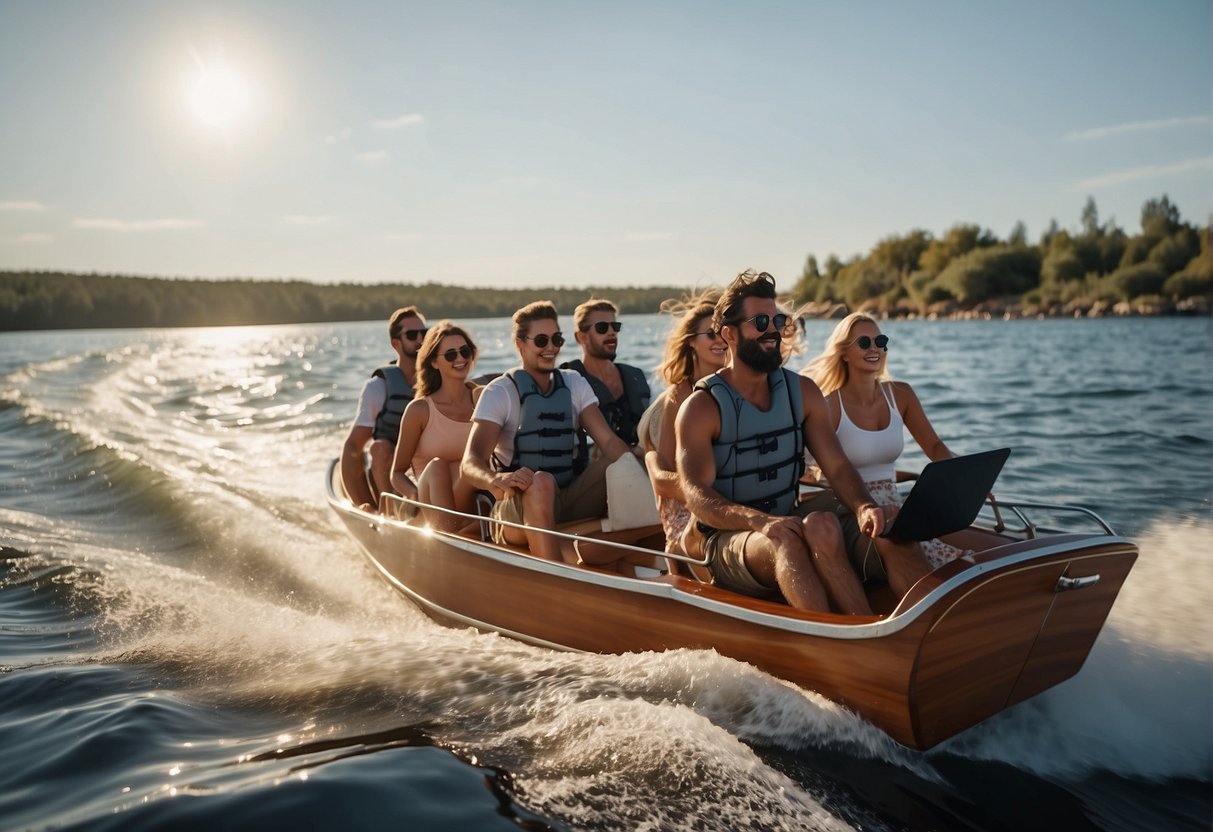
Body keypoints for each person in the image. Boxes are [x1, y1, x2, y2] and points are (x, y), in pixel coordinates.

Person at [677, 270, 915, 614]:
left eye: (777, 319)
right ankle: (827, 639)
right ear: (729, 334)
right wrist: (758, 521)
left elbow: (836, 465)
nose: (773, 329)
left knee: (880, 524)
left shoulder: (802, 392)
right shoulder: (702, 408)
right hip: (726, 539)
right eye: (760, 321)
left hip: (788, 517)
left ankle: (903, 628)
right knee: (785, 541)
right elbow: (697, 497)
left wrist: (865, 506)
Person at [460, 301, 631, 561]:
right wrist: (497, 480)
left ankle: (656, 552)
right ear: (520, 344)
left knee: (626, 460)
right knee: (540, 481)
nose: (551, 348)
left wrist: (642, 467)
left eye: (557, 339)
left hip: (567, 498)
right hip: (515, 509)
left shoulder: (574, 382)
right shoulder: (500, 392)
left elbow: (607, 442)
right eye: (541, 340)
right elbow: (470, 463)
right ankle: (553, 575)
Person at [803, 312, 969, 573]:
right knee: (934, 559)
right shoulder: (830, 406)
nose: (875, 348)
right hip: (853, 508)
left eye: (880, 340)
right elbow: (811, 466)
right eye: (864, 343)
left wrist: (966, 477)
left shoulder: (901, 394)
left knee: (956, 561)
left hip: (895, 504)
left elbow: (935, 447)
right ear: (844, 353)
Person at [639, 290, 728, 558]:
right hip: (690, 503)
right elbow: (665, 471)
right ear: (691, 343)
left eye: (723, 334)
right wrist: (715, 500)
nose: (720, 341)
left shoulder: (737, 387)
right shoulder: (680, 394)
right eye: (711, 335)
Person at [388, 321, 486, 532]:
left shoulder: (482, 398)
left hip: (471, 496)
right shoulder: (420, 410)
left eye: (465, 351)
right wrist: (415, 497)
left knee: (472, 464)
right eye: (450, 355)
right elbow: (396, 473)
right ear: (433, 362)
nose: (460, 358)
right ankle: (450, 535)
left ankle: (474, 528)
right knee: (437, 466)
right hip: (429, 499)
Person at [341, 306, 427, 511]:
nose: (421, 340)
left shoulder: (440, 380)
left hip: (428, 464)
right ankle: (390, 512)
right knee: (379, 448)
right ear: (396, 344)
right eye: (412, 335)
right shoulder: (378, 387)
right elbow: (353, 447)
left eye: (424, 333)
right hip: (389, 470)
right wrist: (361, 504)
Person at [561, 298, 651, 447]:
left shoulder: (635, 376)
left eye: (615, 326)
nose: (611, 333)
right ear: (581, 336)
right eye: (602, 327)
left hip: (639, 456)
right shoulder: (568, 381)